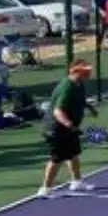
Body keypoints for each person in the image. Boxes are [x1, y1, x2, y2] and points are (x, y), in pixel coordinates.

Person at [38, 60, 99, 198]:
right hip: (55, 129)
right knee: (57, 158)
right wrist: (70, 125)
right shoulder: (67, 87)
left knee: (73, 154)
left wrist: (91, 109)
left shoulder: (79, 84)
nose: (89, 73)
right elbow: (58, 111)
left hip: (68, 128)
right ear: (75, 71)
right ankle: (45, 189)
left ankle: (76, 182)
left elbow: (81, 100)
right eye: (85, 71)